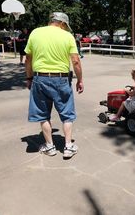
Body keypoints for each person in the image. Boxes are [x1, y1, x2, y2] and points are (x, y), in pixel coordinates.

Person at [24, 12, 84, 159]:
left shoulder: (35, 33)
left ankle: (50, 146)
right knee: (67, 114)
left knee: (43, 114)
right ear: (62, 24)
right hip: (61, 79)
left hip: (40, 78)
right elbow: (75, 61)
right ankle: (68, 146)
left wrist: (29, 77)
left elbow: (28, 59)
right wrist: (80, 79)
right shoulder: (67, 36)